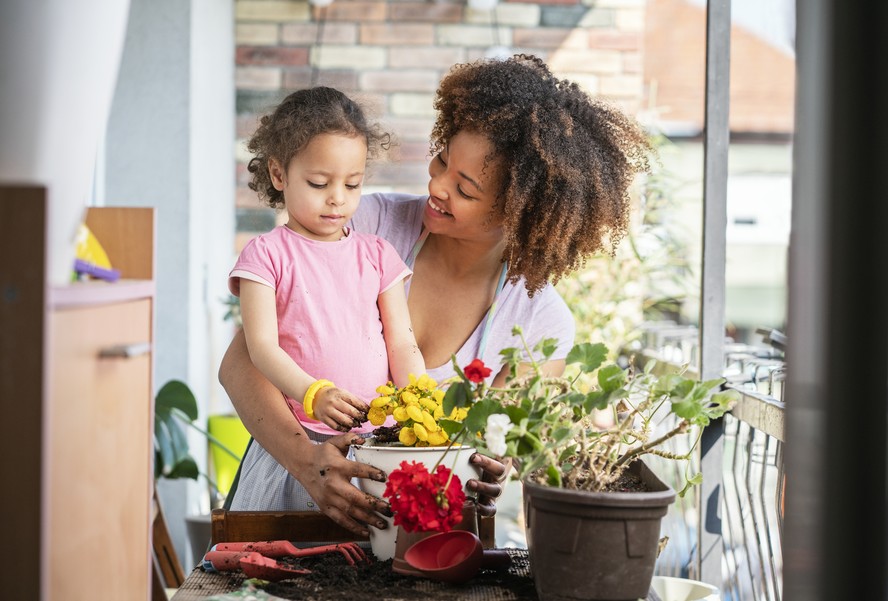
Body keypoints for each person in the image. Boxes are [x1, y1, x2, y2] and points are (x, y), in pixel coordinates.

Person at [219, 54, 653, 537]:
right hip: (287, 491)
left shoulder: (538, 324)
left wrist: (491, 469)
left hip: (408, 532)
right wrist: (308, 463)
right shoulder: (361, 228)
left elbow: (493, 446)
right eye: (443, 159)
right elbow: (241, 364)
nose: (436, 185)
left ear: (520, 212)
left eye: (465, 189)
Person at [229, 87, 426, 434]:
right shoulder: (265, 255)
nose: (338, 199)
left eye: (352, 185)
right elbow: (260, 347)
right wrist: (313, 394)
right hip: (305, 432)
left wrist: (420, 399)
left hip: (380, 434)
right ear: (278, 174)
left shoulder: (379, 255)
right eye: (319, 184)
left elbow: (402, 342)